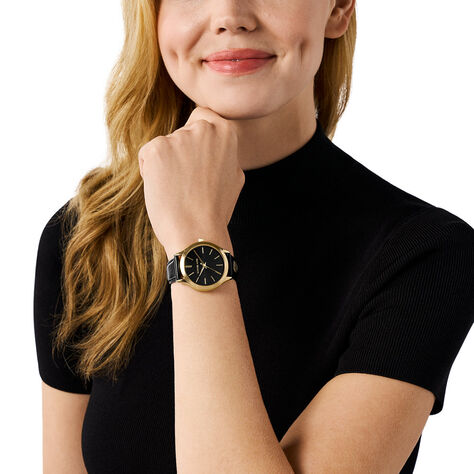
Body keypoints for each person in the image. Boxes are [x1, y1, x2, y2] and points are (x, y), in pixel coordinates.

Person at [33, 1, 474, 472]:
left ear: (338, 8)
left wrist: (196, 239)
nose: (230, 15)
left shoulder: (425, 254)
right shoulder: (86, 237)